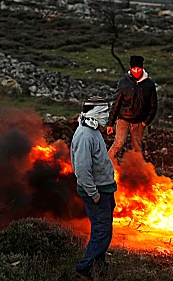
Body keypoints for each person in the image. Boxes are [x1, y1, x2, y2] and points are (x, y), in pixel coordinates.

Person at [70, 96, 117, 278]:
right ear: (95, 113)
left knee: (103, 229)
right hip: (97, 193)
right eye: (104, 113)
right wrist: (94, 194)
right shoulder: (85, 135)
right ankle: (85, 266)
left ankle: (99, 263)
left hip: (105, 190)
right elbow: (82, 169)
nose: (107, 117)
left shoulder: (93, 130)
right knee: (101, 231)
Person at [107, 55, 158, 161]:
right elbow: (116, 103)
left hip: (139, 122)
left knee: (137, 148)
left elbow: (153, 105)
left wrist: (146, 122)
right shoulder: (124, 83)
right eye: (134, 69)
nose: (136, 71)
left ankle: (138, 172)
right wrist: (110, 123)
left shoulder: (149, 84)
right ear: (130, 68)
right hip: (123, 119)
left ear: (143, 68)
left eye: (138, 69)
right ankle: (103, 165)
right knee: (118, 143)